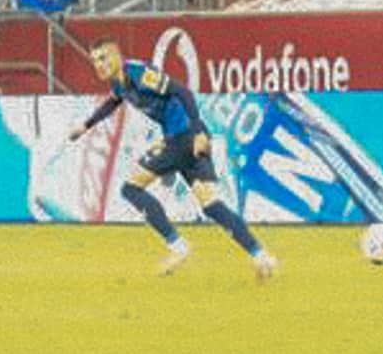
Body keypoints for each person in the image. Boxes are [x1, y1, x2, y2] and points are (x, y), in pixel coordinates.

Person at [68, 38, 278, 279]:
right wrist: (86, 126)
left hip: (184, 137)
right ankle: (261, 256)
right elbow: (113, 103)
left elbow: (182, 91)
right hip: (185, 138)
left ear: (117, 56)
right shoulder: (119, 83)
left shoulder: (139, 74)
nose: (99, 65)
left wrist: (198, 130)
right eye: (94, 60)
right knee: (210, 205)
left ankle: (178, 246)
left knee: (130, 188)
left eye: (103, 58)